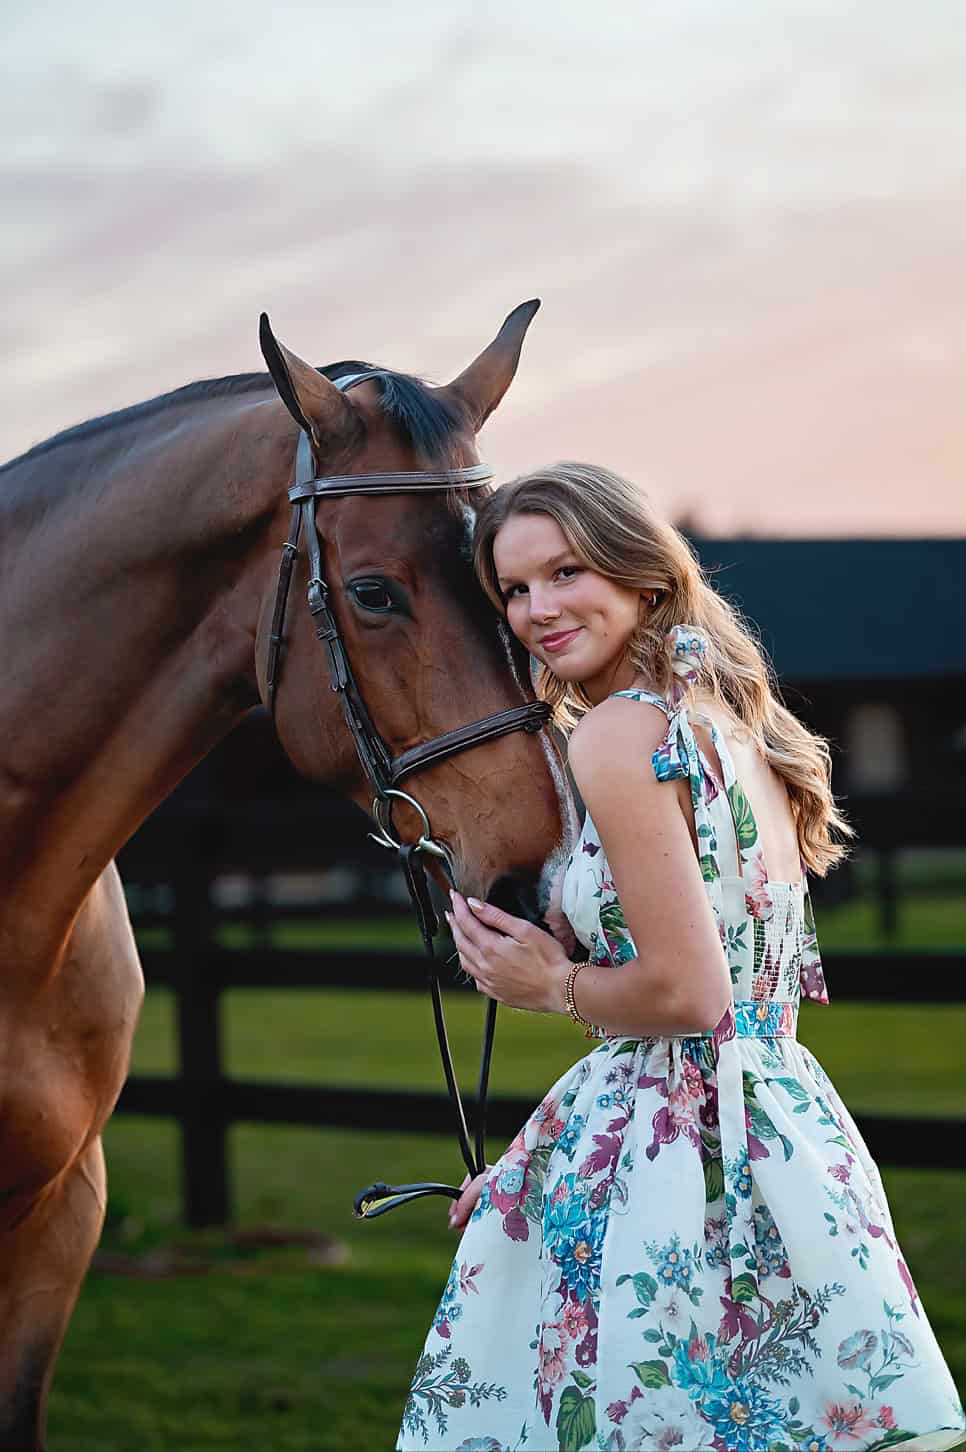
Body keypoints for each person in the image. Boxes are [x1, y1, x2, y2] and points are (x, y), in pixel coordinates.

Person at [395, 462, 965, 1452]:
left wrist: (549, 982)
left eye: (565, 572)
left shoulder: (619, 736)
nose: (538, 610)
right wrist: (544, 1164)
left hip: (678, 1148)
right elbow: (729, 981)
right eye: (515, 590)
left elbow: (689, 995)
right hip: (778, 1123)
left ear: (642, 574)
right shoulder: (734, 731)